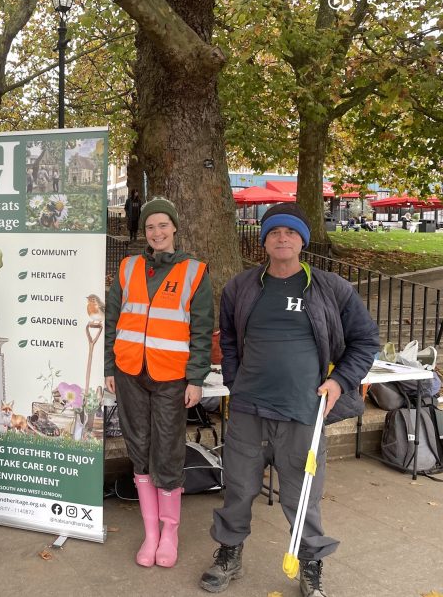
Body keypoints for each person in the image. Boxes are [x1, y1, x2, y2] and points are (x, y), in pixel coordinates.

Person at [200, 203, 379, 597]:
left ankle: (310, 564)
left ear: (302, 241)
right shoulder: (241, 287)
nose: (283, 238)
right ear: (264, 241)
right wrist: (235, 379)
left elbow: (366, 342)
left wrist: (339, 382)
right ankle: (229, 552)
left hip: (303, 413)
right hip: (248, 409)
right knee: (239, 487)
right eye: (275, 232)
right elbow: (228, 339)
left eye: (291, 233)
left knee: (303, 497)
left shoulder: (331, 289)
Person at [104, 197, 214, 568]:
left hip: (171, 376)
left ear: (175, 229)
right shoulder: (128, 267)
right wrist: (109, 366)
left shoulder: (195, 272)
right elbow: (112, 321)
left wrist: (195, 378)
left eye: (163, 225)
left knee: (167, 451)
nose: (157, 232)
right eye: (150, 226)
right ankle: (150, 533)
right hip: (130, 372)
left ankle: (170, 532)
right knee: (139, 447)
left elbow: (201, 331)